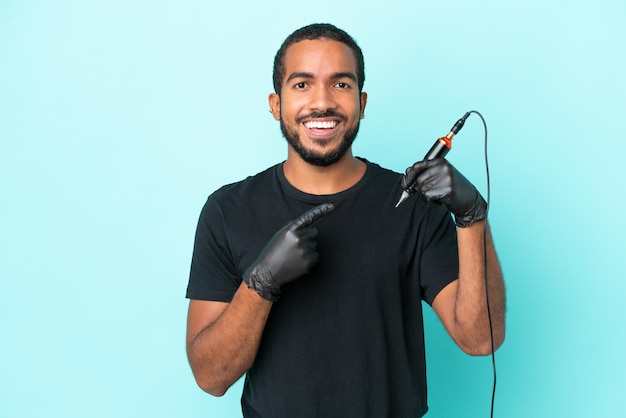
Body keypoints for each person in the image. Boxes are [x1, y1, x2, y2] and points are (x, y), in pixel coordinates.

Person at [185, 23, 506, 417]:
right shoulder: (227, 211)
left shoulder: (415, 206)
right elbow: (210, 377)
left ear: (362, 101)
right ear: (275, 104)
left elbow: (480, 339)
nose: (322, 102)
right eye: (302, 84)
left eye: (340, 84)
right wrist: (261, 283)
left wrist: (472, 215)